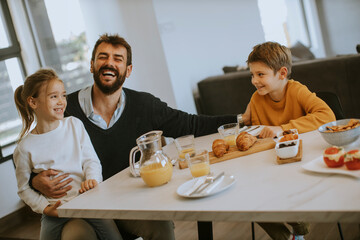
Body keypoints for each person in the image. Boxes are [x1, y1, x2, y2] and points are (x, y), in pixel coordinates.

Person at [31, 34, 237, 240]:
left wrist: (241, 119)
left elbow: (190, 124)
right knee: (76, 236)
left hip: (127, 201)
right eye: (103, 57)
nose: (109, 63)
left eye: (117, 59)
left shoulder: (144, 104)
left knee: (161, 226)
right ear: (92, 65)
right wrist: (34, 181)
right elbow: (32, 150)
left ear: (128, 70)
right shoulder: (65, 109)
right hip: (83, 206)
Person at [13, 69, 122, 240]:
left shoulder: (74, 125)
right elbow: (23, 189)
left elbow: (91, 161)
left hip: (88, 202)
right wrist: (45, 208)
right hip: (54, 211)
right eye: (53, 96)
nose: (61, 102)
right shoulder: (24, 147)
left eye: (63, 95)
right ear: (33, 103)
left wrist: (92, 180)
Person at [242, 42, 336, 240]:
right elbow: (260, 137)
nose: (254, 81)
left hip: (303, 163)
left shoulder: (296, 91)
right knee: (250, 199)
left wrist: (282, 128)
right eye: (252, 75)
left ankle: (299, 225)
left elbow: (328, 116)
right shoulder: (256, 99)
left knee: (276, 193)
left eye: (261, 74)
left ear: (282, 73)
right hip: (274, 166)